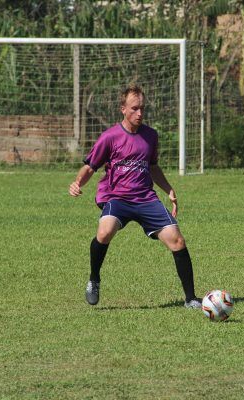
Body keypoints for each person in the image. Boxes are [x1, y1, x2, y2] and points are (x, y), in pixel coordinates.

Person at [69, 84, 202, 309]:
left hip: (145, 198)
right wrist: (77, 183)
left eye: (142, 108)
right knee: (104, 231)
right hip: (117, 198)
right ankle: (94, 279)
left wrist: (168, 189)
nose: (140, 113)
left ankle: (190, 298)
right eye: (134, 108)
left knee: (177, 240)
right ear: (123, 109)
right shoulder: (110, 137)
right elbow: (90, 166)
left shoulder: (150, 136)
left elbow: (153, 166)